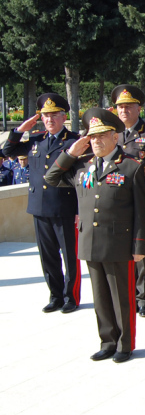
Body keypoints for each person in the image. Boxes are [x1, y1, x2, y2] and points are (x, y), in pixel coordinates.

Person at [45, 108, 145, 363]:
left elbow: (142, 212)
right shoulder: (83, 167)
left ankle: (125, 344)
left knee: (120, 298)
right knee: (101, 298)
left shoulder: (130, 167)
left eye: (102, 136)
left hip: (118, 243)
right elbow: (51, 177)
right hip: (90, 241)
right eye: (92, 137)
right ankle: (108, 341)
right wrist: (71, 152)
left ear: (115, 137)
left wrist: (140, 246)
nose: (96, 141)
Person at [2, 93, 81, 313]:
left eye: (54, 115)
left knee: (69, 256)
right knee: (48, 257)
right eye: (46, 115)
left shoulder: (73, 141)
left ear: (63, 116)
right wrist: (19, 130)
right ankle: (55, 295)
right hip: (39, 207)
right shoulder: (36, 140)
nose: (49, 119)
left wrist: (78, 210)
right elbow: (7, 151)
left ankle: (71, 297)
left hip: (65, 207)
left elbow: (80, 177)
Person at [112, 84, 145, 318]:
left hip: (143, 202)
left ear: (139, 108)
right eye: (120, 107)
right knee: (121, 250)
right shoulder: (112, 134)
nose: (124, 111)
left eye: (129, 106)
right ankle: (128, 293)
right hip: (118, 203)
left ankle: (144, 297)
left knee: (142, 250)